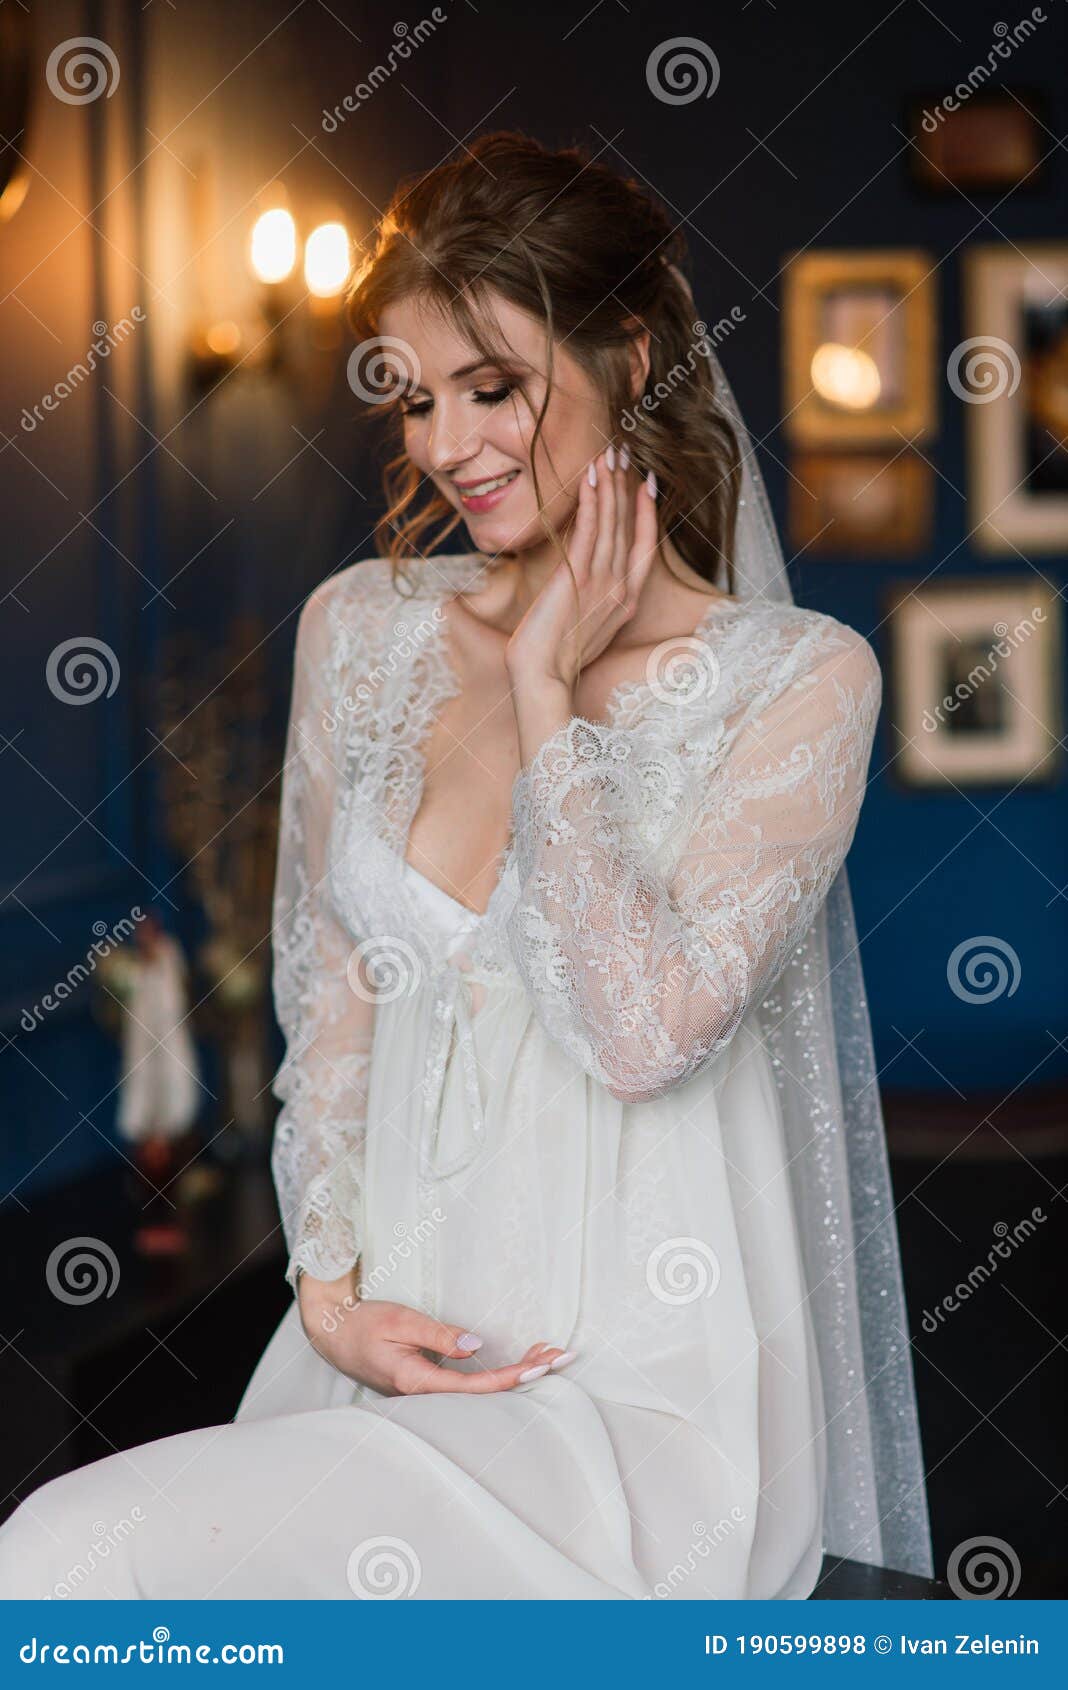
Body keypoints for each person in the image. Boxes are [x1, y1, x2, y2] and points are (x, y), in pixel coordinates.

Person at [0, 132, 932, 1600]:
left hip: (639, 1407)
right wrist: (327, 1288)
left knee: (54, 1558)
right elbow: (331, 1009)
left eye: (492, 387)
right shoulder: (357, 630)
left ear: (628, 360)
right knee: (69, 1564)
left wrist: (550, 692)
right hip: (393, 1357)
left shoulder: (801, 679)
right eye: (418, 397)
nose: (446, 444)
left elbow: (643, 1032)